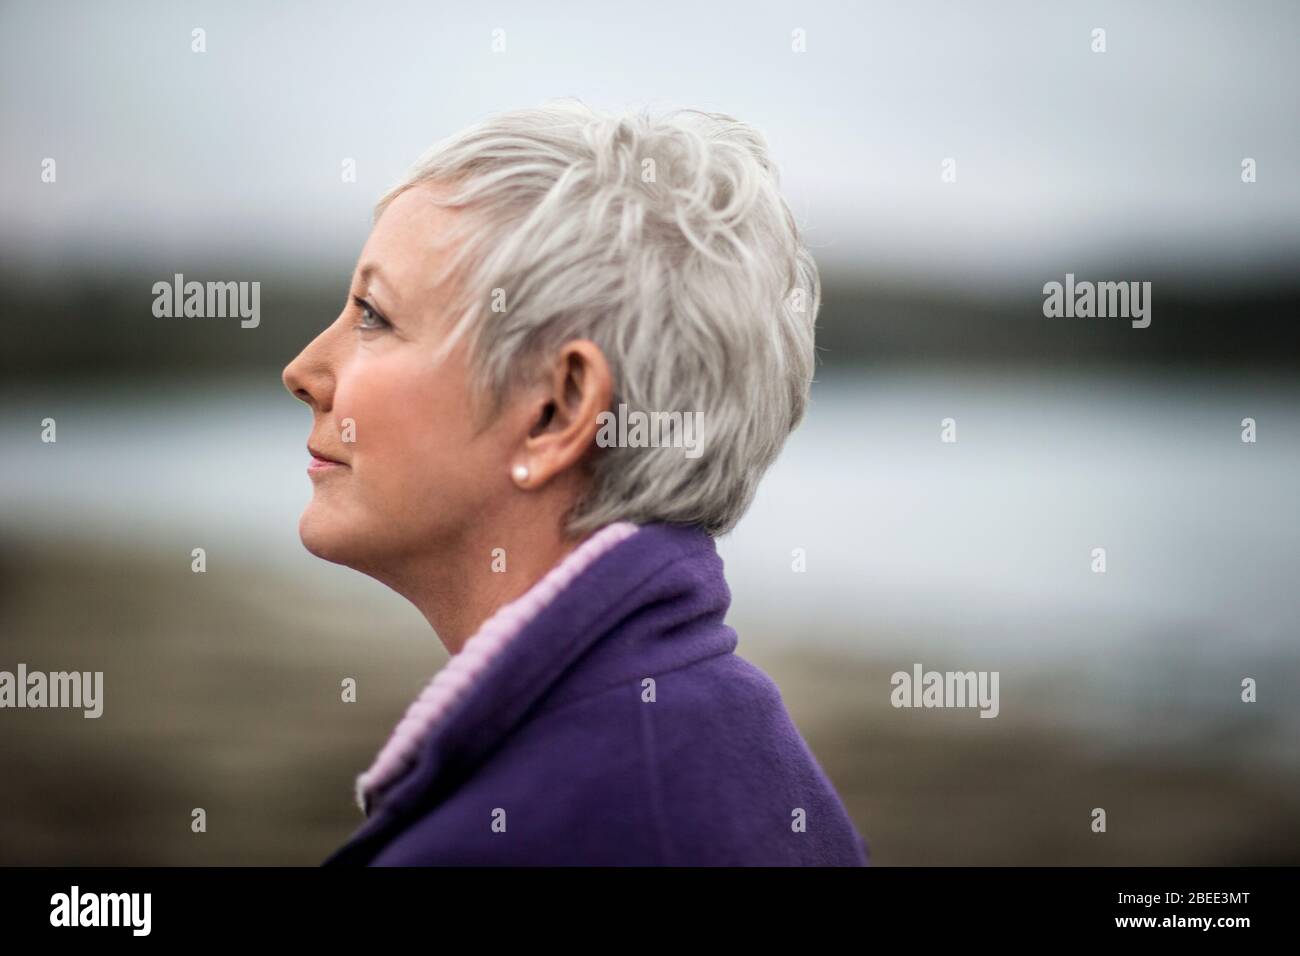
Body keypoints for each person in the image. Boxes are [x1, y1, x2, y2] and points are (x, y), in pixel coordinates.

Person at [282, 100, 869, 865]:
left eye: (374, 316)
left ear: (556, 410)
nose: (303, 371)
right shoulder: (731, 735)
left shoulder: (523, 840)